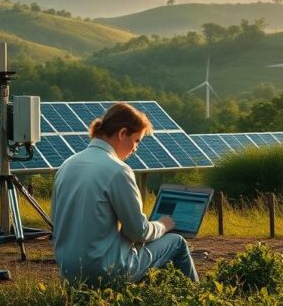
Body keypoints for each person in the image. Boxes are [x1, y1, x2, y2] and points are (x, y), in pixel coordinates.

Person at [51, 102, 198, 284]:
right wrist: (163, 224)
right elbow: (138, 232)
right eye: (136, 140)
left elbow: (57, 224)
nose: (136, 148)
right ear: (122, 134)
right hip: (105, 271)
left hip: (69, 271)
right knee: (176, 242)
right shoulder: (118, 170)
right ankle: (198, 298)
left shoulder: (66, 165)